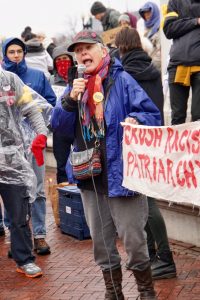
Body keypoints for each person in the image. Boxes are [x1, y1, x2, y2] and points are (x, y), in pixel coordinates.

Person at [51, 29, 161, 300]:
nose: (83, 54)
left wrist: (138, 120)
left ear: (102, 49)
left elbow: (152, 115)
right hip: (89, 176)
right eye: (78, 51)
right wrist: (69, 101)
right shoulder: (73, 85)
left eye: (87, 48)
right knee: (101, 243)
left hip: (122, 174)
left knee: (134, 242)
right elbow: (59, 127)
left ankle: (147, 293)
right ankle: (114, 293)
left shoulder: (122, 80)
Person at [115, 27, 176, 280]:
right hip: (154, 139)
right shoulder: (152, 69)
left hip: (136, 142)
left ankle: (164, 258)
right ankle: (153, 255)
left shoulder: (125, 74)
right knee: (145, 201)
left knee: (147, 203)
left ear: (120, 47)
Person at [2, 37, 56, 255]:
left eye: (19, 51)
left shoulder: (30, 77)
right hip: (9, 148)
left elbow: (44, 105)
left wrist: (41, 133)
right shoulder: (3, 79)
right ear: (4, 55)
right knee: (11, 190)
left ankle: (40, 235)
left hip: (33, 143)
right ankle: (17, 237)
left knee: (38, 189)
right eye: (11, 52)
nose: (15, 55)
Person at [0, 66, 49, 277]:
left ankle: (24, 259)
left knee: (19, 211)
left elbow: (31, 108)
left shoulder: (10, 80)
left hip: (12, 158)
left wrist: (42, 134)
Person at [163, 0, 200, 125]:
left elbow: (174, 27)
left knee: (198, 116)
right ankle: (177, 145)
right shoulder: (175, 1)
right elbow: (169, 29)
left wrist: (182, 22)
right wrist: (196, 21)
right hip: (177, 65)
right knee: (177, 117)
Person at [50, 44, 75, 183]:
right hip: (59, 129)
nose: (62, 62)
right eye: (58, 60)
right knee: (61, 166)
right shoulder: (51, 80)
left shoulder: (78, 77)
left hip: (76, 126)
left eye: (65, 58)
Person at [138, 1, 161, 71]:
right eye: (144, 13)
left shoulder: (159, 27)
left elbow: (160, 53)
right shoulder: (144, 27)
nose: (146, 15)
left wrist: (150, 67)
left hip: (157, 67)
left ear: (154, 12)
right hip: (148, 63)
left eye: (148, 12)